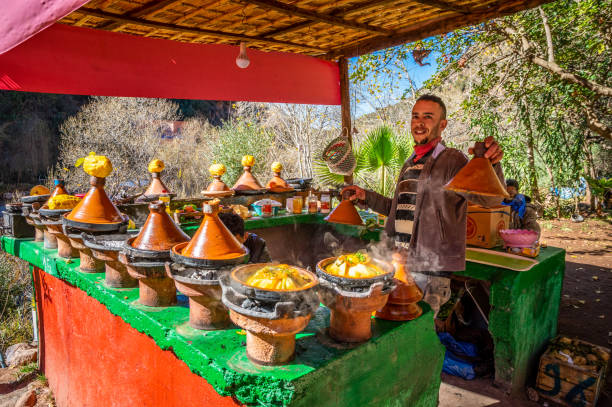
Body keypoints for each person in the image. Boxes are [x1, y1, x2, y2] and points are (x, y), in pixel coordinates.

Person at [343, 94, 505, 281]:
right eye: (415, 116)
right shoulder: (409, 164)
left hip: (430, 267)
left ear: (442, 125)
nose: (419, 123)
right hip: (399, 261)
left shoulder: (452, 160)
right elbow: (397, 211)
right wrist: (367, 196)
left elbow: (489, 199)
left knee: (423, 311)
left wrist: (490, 165)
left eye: (428, 117)